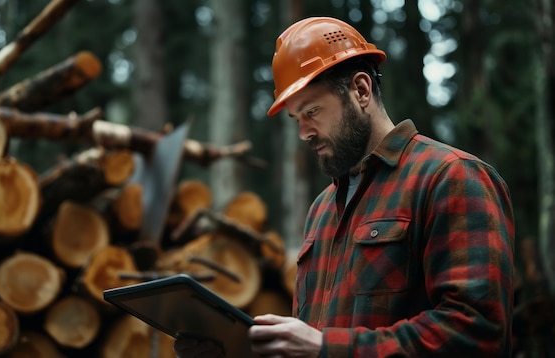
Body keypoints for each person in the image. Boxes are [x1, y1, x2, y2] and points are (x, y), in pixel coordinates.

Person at [174, 16, 514, 357]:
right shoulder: (321, 210)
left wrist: (326, 348)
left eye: (312, 111)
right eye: (296, 119)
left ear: (361, 90)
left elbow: (477, 331)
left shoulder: (451, 177)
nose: (303, 133)